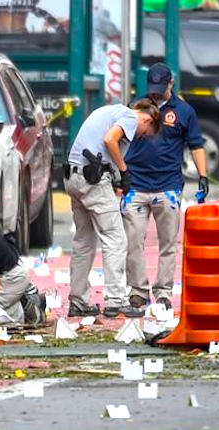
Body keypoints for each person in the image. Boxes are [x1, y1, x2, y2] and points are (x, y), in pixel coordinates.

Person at [65, 99, 160, 318]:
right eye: (145, 132)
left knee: (84, 241)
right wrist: (124, 171)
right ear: (146, 119)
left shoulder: (108, 110)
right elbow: (110, 140)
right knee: (115, 238)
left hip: (73, 176)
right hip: (92, 180)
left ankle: (78, 301)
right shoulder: (128, 117)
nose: (140, 136)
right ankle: (116, 300)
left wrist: (115, 178)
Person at [124, 63, 207, 310]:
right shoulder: (134, 108)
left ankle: (163, 293)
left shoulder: (184, 111)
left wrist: (203, 176)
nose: (156, 93)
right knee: (133, 242)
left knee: (168, 244)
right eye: (152, 89)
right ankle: (138, 291)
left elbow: (196, 145)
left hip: (168, 186)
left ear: (171, 83)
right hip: (135, 185)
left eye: (161, 88)